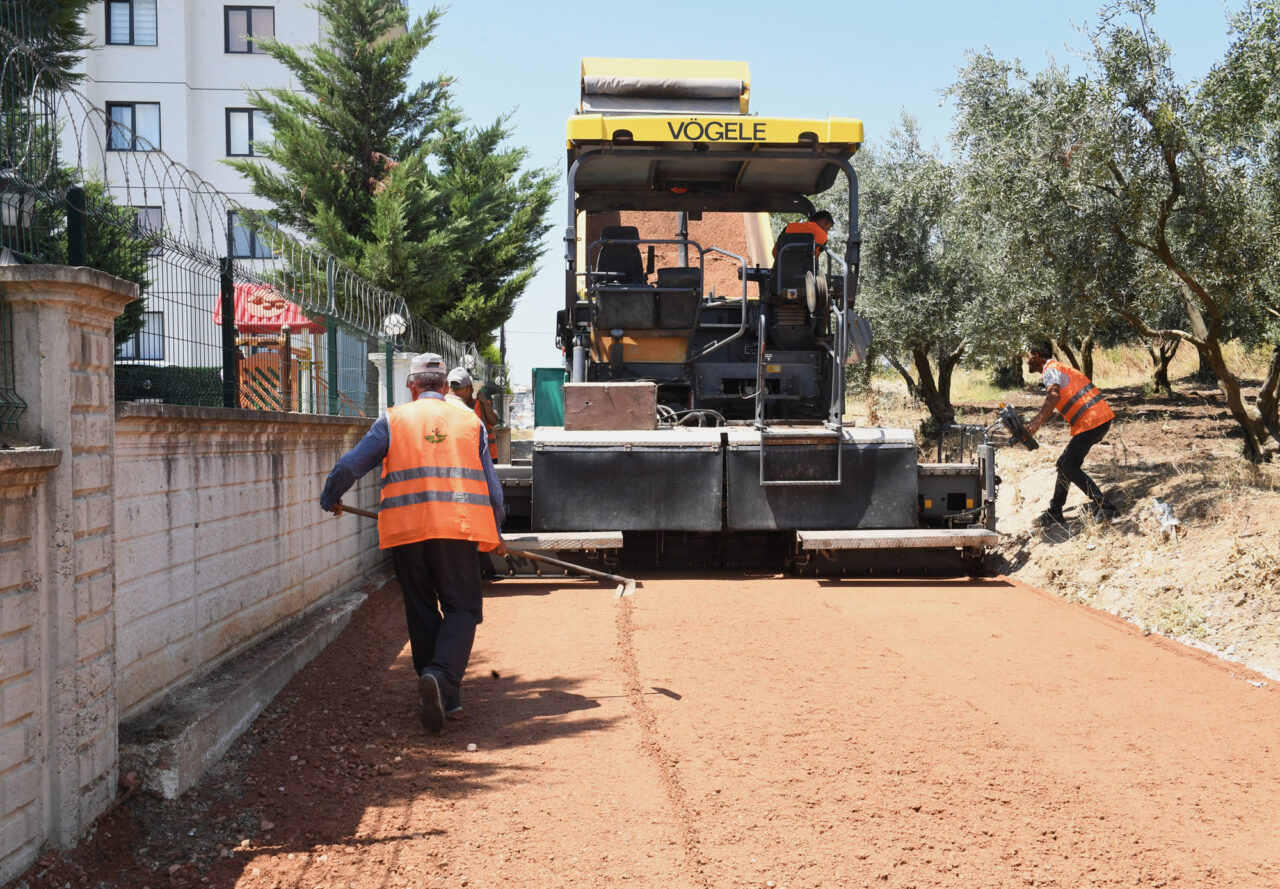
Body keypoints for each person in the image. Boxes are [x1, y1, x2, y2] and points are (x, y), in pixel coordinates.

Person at [320, 352, 506, 733]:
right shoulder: (471, 421)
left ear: (411, 386)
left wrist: (330, 496)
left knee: (421, 608)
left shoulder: (393, 420)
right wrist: (497, 532)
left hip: (407, 532)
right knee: (463, 608)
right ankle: (440, 679)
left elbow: (349, 467)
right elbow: (493, 489)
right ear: (446, 387)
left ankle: (442, 694)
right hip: (457, 529)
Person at [1025, 342, 1119, 526]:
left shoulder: (1050, 370)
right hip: (1096, 420)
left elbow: (1053, 396)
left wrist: (1036, 423)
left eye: (1028, 356)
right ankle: (1055, 511)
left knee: (1069, 466)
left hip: (1093, 422)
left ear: (1036, 355)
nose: (1026, 360)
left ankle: (1105, 507)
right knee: (1063, 464)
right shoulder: (1057, 368)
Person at [448, 366, 499, 461]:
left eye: (460, 390)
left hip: (488, 455)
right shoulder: (452, 406)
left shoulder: (482, 404)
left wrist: (484, 402)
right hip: (466, 455)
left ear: (470, 389)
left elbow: (494, 421)